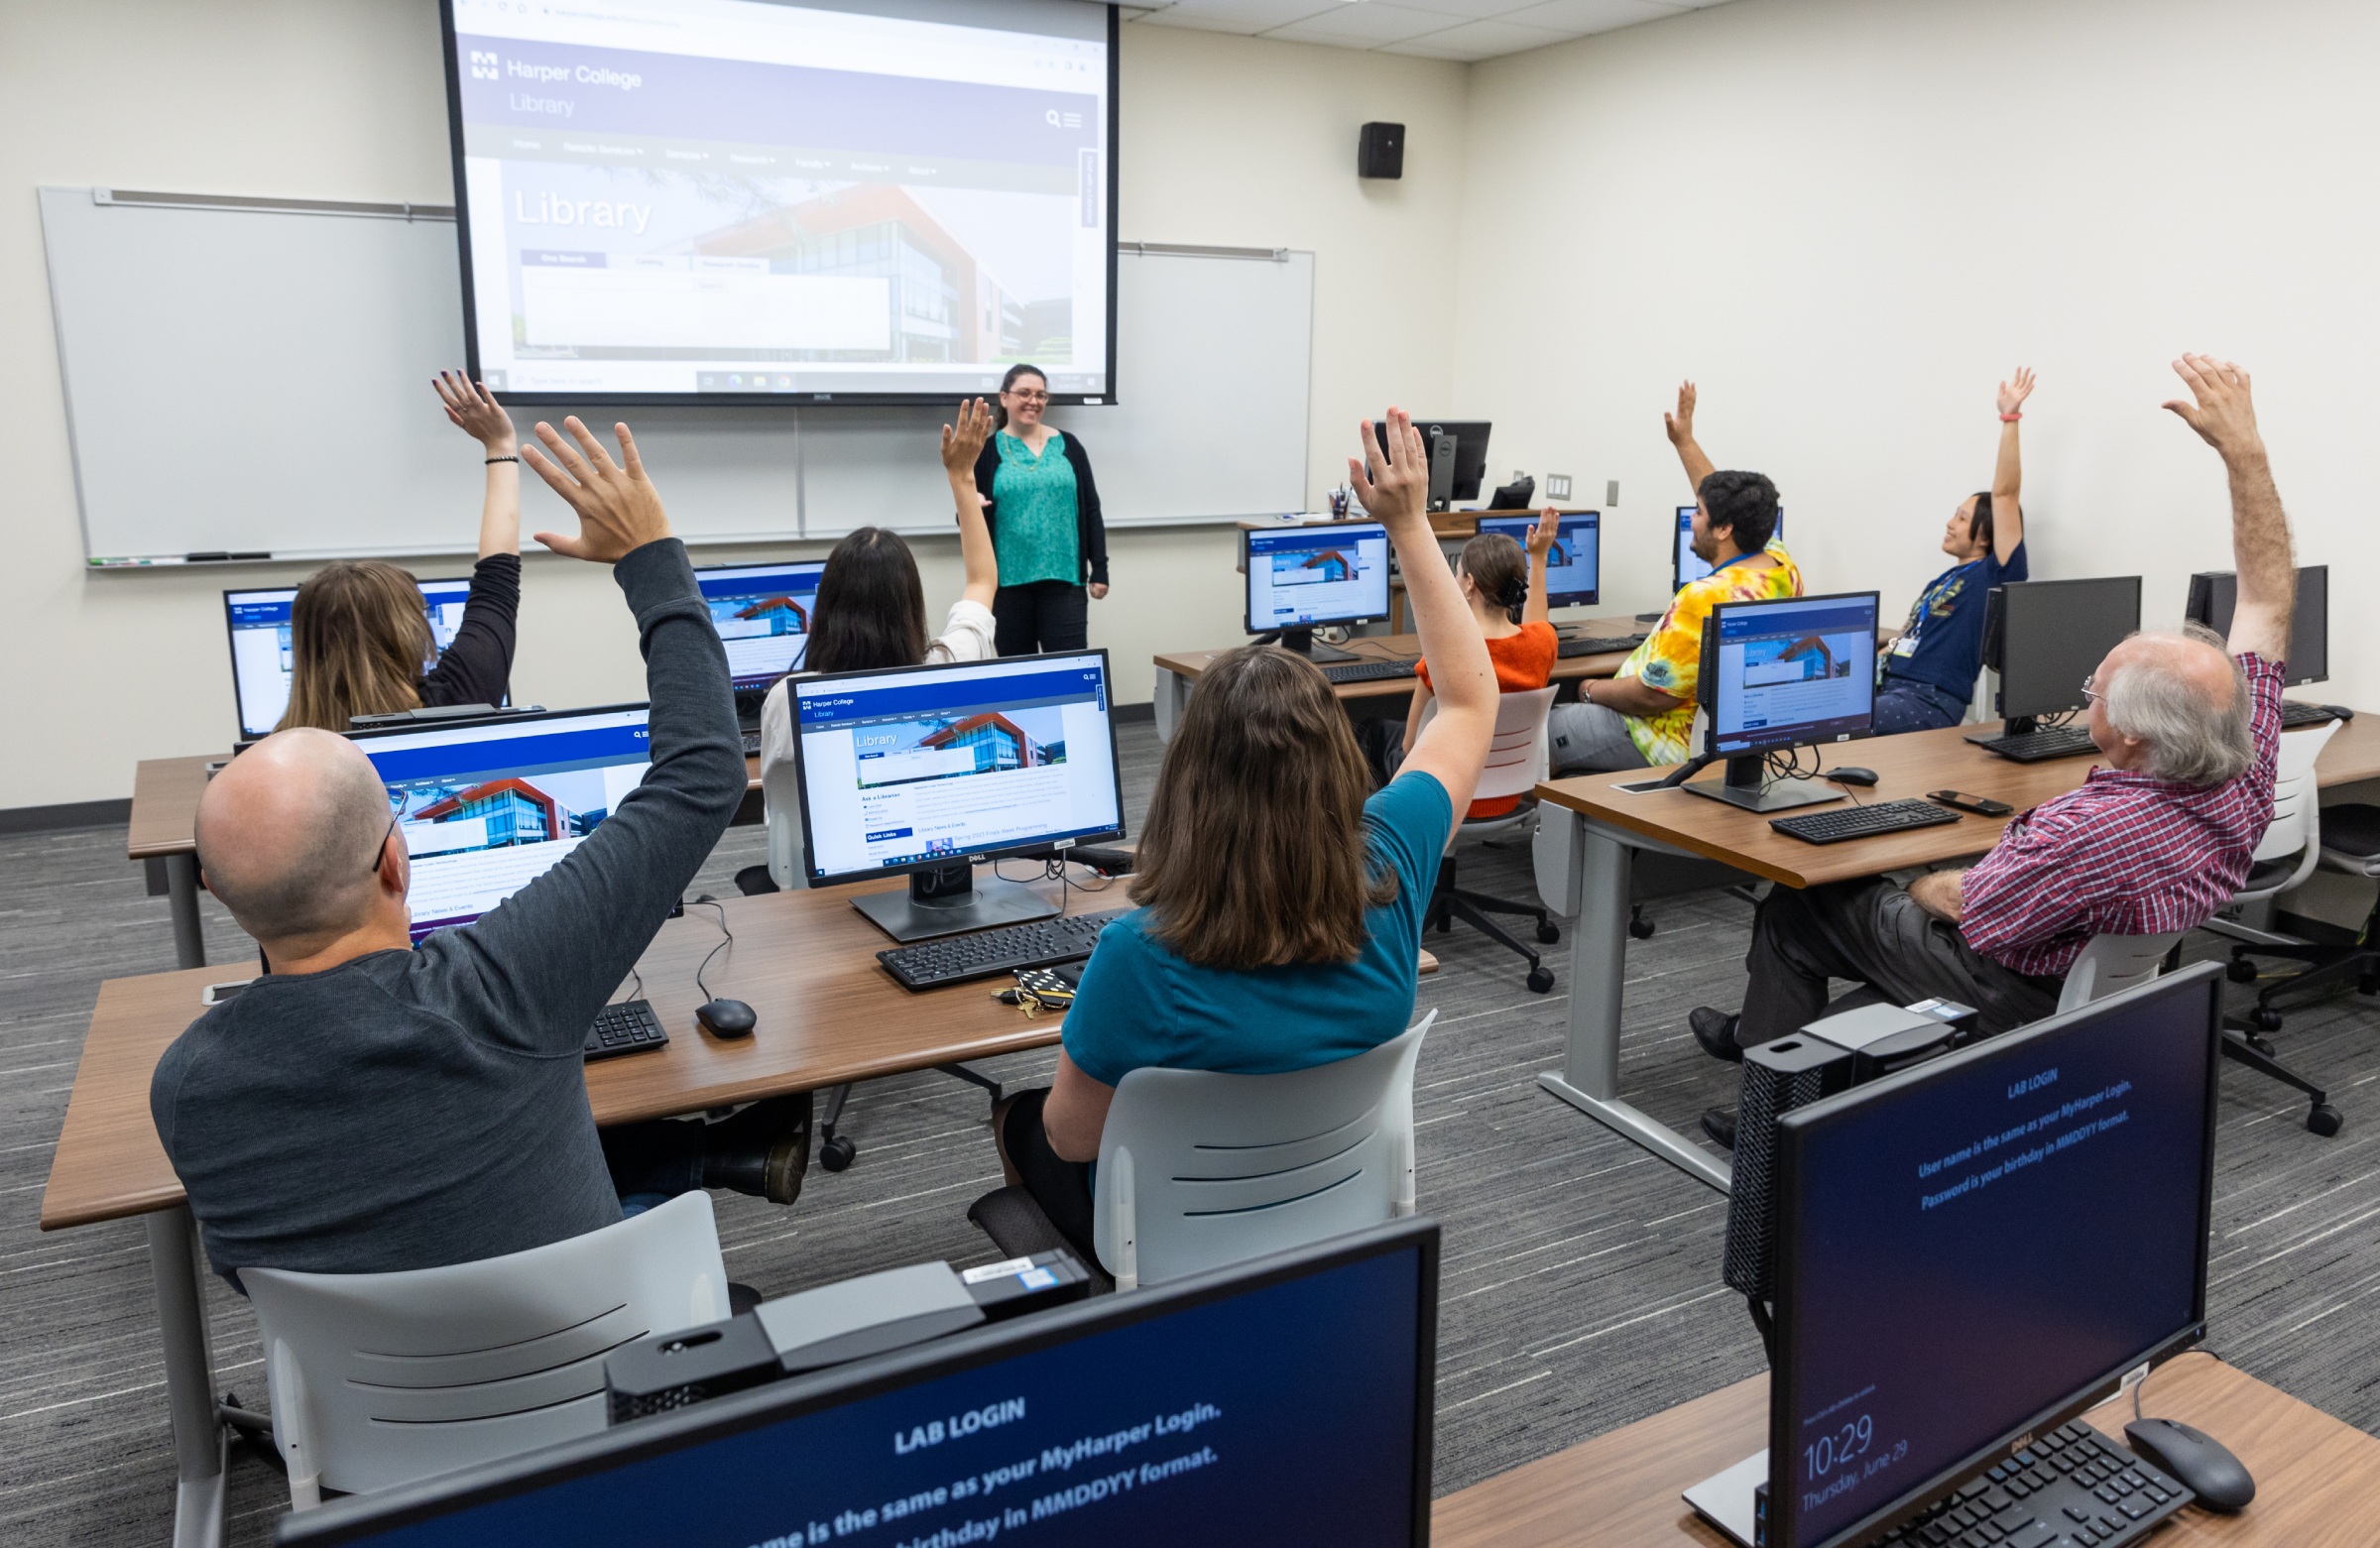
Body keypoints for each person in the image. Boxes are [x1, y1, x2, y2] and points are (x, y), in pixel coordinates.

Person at [152, 416, 808, 1287]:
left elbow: (246, 1274)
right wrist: (649, 553)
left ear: (219, 891)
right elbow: (701, 773)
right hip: (596, 1380)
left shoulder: (186, 1085)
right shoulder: (508, 982)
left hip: (370, 1419)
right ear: (397, 861)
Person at [1688, 356, 2293, 1147]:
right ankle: (1794, 1040)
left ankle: (1768, 1117)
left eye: (2096, 690)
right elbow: (2269, 594)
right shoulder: (2244, 768)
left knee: (1804, 905)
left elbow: (1972, 911)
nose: (2083, 699)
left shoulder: (2087, 833)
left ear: (2137, 734)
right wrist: (2245, 455)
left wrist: (1915, 872)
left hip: (2015, 989)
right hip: (2093, 986)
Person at [987, 409, 1497, 1262]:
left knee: (1021, 1119)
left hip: (1169, 1238)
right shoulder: (1394, 858)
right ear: (1340, 762)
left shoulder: (1137, 955)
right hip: (1333, 1203)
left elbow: (1073, 1141)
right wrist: (1410, 524)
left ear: (1187, 781)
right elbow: (1471, 698)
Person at [749, 401, 1005, 891]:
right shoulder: (953, 663)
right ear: (911, 602)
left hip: (820, 901)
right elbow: (982, 579)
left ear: (827, 606)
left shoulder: (791, 697)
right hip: (931, 886)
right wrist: (961, 478)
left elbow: (778, 812)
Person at [1547, 384, 1803, 773]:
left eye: (1698, 513)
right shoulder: (1782, 570)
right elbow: (1726, 501)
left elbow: (1651, 697)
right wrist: (1684, 441)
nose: (1693, 520)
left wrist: (1589, 689)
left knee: (1536, 729)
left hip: (1655, 736)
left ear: (1723, 529)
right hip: (1718, 738)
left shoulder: (1703, 597)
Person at [277, 374, 525, 732]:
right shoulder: (455, 703)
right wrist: (500, 444)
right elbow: (497, 583)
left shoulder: (273, 757)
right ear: (407, 632)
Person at [1873, 369, 2036, 733]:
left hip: (1927, 701)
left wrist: (2010, 418)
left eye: (1962, 518)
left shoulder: (1996, 574)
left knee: (1828, 724)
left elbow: (2005, 495)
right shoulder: (1946, 579)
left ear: (1986, 533)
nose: (1950, 523)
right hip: (1893, 688)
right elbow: (1912, 638)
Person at [1397, 508, 1560, 818]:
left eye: (1457, 572)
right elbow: (1540, 625)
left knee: (1371, 732)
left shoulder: (1442, 658)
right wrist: (1538, 559)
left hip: (1446, 797)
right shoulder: (1541, 644)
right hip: (1509, 795)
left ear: (1469, 583)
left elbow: (1409, 748)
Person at [973, 363, 1109, 655]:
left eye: (1041, 395)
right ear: (1004, 398)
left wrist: (1100, 568)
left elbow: (1091, 509)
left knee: (1069, 671)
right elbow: (969, 517)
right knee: (1020, 678)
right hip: (1007, 586)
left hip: (1064, 581)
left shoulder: (1069, 445)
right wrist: (970, 509)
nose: (1033, 401)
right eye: (1024, 393)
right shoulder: (986, 451)